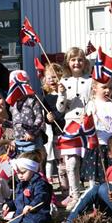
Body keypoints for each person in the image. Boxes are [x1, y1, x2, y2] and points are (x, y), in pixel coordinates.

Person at [0, 153, 53, 223]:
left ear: (33, 169)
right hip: (20, 217)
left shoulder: (40, 184)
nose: (20, 176)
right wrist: (10, 205)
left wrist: (32, 205)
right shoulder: (21, 184)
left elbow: (41, 197)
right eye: (18, 173)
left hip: (35, 219)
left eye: (23, 172)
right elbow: (18, 200)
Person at [57, 47, 92, 206]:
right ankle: (75, 195)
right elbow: (60, 108)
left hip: (86, 124)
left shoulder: (91, 80)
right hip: (70, 125)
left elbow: (92, 99)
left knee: (90, 161)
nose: (76, 62)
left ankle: (92, 195)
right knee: (71, 163)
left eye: (80, 59)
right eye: (73, 60)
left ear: (84, 62)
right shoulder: (63, 82)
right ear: (68, 63)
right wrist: (62, 95)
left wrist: (90, 112)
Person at [80, 78, 112, 185]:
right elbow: (85, 125)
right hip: (98, 146)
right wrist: (84, 119)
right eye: (104, 87)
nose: (108, 90)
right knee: (95, 178)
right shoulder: (91, 104)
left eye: (110, 87)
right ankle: (94, 196)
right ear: (94, 88)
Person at [41, 63, 66, 197]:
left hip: (67, 130)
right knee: (60, 164)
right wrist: (48, 117)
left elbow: (64, 109)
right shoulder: (46, 98)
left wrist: (55, 115)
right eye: (48, 77)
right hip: (55, 133)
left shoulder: (65, 93)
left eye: (54, 77)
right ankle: (63, 189)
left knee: (69, 163)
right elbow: (45, 116)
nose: (51, 80)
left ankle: (72, 187)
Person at [8, 70, 44, 154]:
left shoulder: (32, 100)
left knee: (33, 164)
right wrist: (2, 122)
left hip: (32, 140)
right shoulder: (12, 104)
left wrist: (31, 132)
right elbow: (14, 123)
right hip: (18, 141)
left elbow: (39, 118)